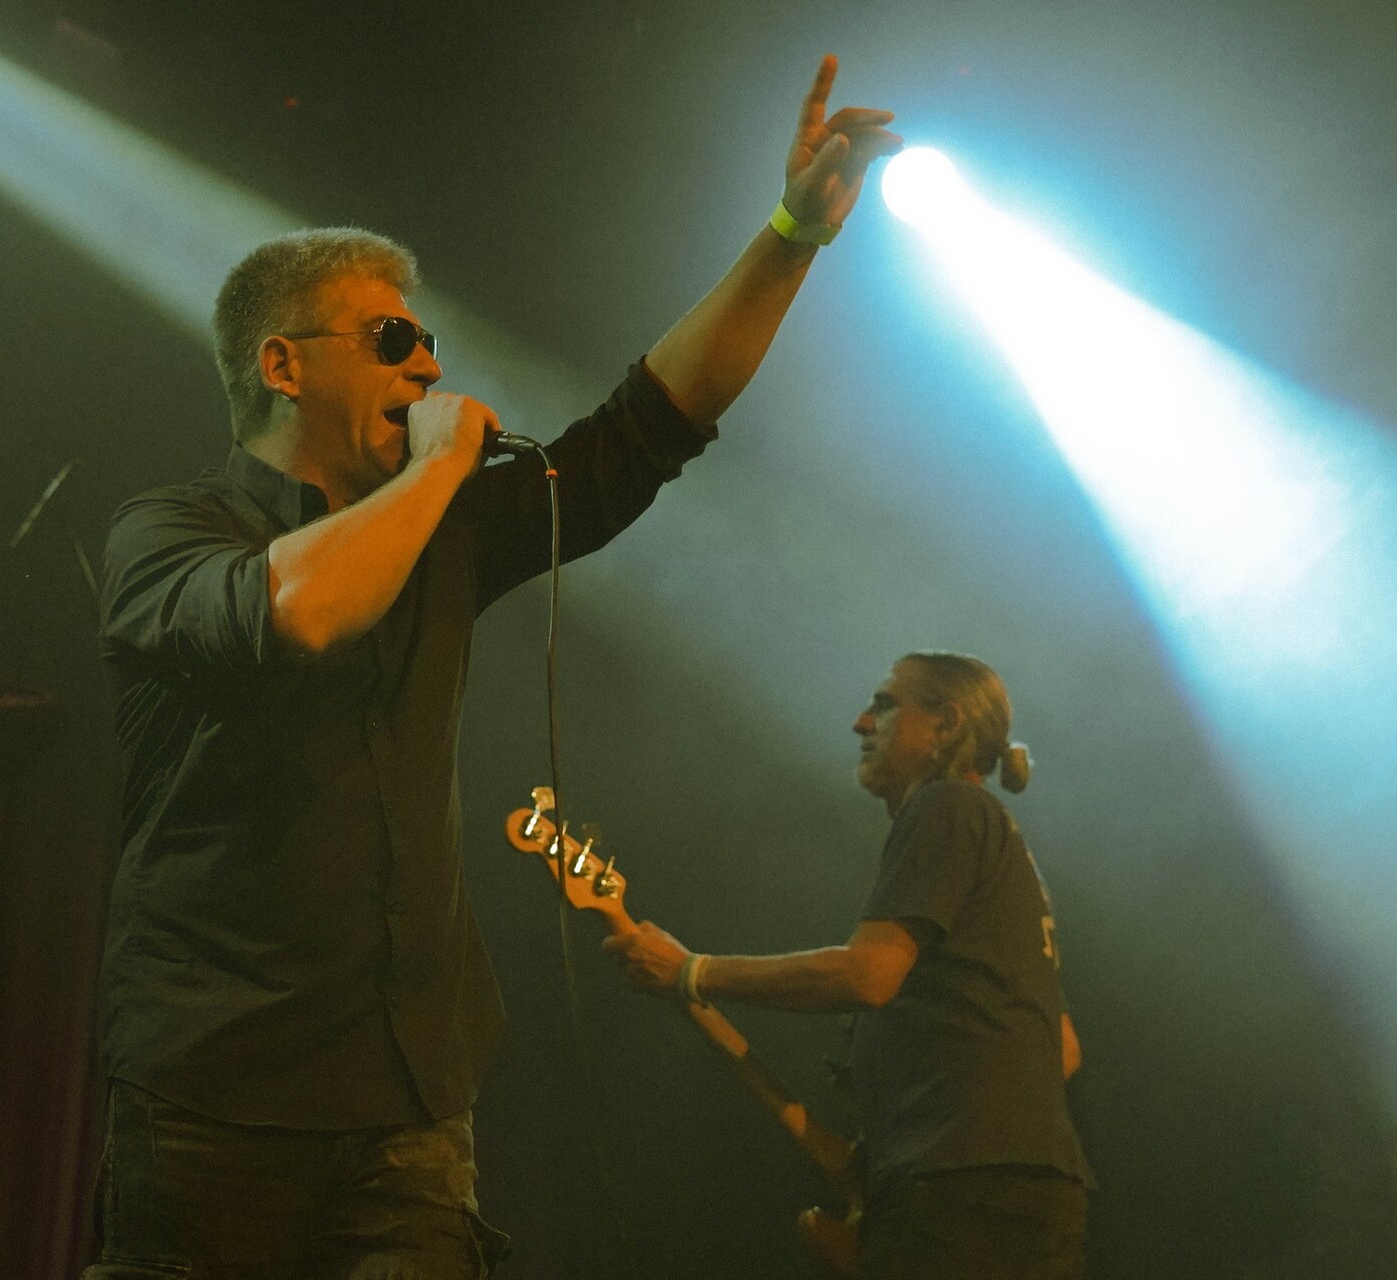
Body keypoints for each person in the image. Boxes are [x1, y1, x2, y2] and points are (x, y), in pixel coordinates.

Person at [84, 57, 901, 1280]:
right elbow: (301, 610)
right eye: (392, 339)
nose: (428, 367)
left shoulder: (445, 528)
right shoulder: (170, 532)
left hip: (408, 1099)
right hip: (213, 1097)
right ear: (283, 365)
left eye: (428, 342)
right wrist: (434, 472)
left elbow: (652, 422)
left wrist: (792, 237)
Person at [603, 652, 1094, 1280]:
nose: (861, 722)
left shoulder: (943, 806)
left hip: (959, 1198)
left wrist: (692, 971)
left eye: (885, 705)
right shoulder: (1000, 843)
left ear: (945, 724)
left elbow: (869, 974)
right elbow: (1061, 1048)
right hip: (1023, 1194)